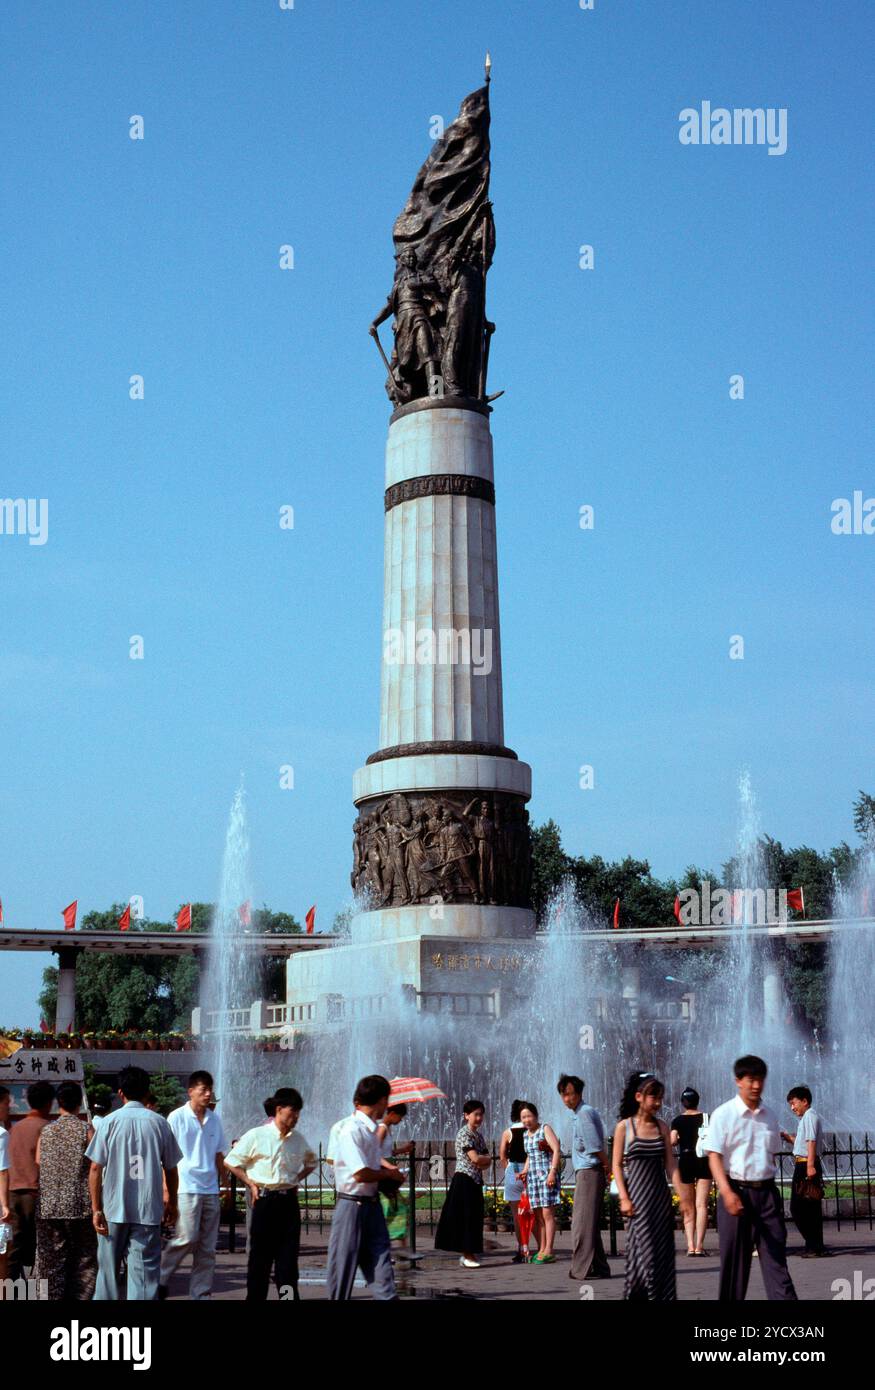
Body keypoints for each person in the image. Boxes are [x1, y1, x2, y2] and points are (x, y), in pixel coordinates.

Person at [85, 1065, 182, 1301]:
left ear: (120, 1093)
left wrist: (96, 1208)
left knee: (107, 1273)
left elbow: (96, 1168)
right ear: (147, 1092)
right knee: (145, 1278)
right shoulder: (160, 1123)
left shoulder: (108, 1122)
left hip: (113, 1209)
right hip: (147, 1210)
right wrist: (173, 1204)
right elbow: (171, 1168)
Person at [705, 1055, 797, 1301]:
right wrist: (726, 1193)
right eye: (751, 1080)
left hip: (767, 1196)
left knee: (777, 1261)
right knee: (735, 1267)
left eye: (760, 1080)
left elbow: (773, 1155)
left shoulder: (770, 1116)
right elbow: (713, 1156)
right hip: (736, 1194)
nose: (756, 1085)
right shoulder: (723, 1114)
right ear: (738, 1081)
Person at [224, 1087, 316, 1300]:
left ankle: (287, 1299)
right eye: (292, 1112)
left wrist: (295, 1180)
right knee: (260, 1262)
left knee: (288, 1263)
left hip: (288, 1204)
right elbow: (231, 1162)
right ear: (279, 1109)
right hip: (264, 1202)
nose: (295, 1117)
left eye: (298, 1113)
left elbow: (311, 1163)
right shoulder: (257, 1135)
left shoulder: (298, 1139)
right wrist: (250, 1183)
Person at [327, 1074, 404, 1299]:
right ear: (381, 1100)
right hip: (351, 1205)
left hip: (371, 1204)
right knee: (342, 1269)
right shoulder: (352, 1130)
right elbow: (360, 1173)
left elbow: (374, 1164)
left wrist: (389, 1176)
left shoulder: (372, 1131)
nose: (387, 1105)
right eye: (387, 1100)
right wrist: (387, 1173)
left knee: (382, 1263)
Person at [159, 1070, 227, 1300]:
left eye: (210, 1090)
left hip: (210, 1188)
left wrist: (225, 1184)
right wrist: (166, 1190)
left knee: (207, 1248)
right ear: (191, 1092)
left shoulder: (215, 1119)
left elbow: (219, 1154)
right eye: (203, 1090)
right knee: (186, 1237)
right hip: (185, 1186)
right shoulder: (176, 1117)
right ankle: (160, 1277)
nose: (208, 1094)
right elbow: (165, 1156)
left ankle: (201, 1293)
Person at [612, 1072, 678, 1301]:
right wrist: (624, 1197)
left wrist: (683, 1197)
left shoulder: (662, 1127)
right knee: (643, 1256)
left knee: (663, 1256)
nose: (658, 1103)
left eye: (660, 1098)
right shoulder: (624, 1127)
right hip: (637, 1202)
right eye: (654, 1097)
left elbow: (670, 1164)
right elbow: (617, 1165)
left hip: (660, 1200)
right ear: (639, 1096)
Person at [34, 1080, 97, 1300]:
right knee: (84, 1258)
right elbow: (96, 1165)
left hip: (48, 1205)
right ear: (80, 1102)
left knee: (50, 1259)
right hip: (79, 1205)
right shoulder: (86, 1129)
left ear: (58, 1103)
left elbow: (39, 1160)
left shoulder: (46, 1131)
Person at [558, 1073, 612, 1280]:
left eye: (570, 1094)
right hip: (588, 1170)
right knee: (589, 1222)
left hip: (590, 1171)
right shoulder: (581, 1112)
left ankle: (580, 1269)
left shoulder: (584, 1113)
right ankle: (600, 1267)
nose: (566, 1099)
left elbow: (595, 1146)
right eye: (563, 1095)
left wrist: (607, 1167)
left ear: (579, 1093)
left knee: (581, 1223)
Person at [434, 1098, 491, 1269]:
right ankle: (467, 1255)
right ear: (466, 1115)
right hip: (464, 1179)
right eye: (476, 1114)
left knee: (474, 1218)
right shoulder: (464, 1134)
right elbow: (475, 1158)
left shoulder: (478, 1136)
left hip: (475, 1180)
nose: (479, 1118)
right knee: (465, 1218)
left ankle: (469, 1253)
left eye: (481, 1115)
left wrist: (483, 1160)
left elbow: (486, 1161)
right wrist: (482, 1160)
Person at [7, 1079, 54, 1281]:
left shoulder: (14, 1129)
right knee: (41, 1247)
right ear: (49, 1103)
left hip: (11, 1193)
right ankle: (36, 1291)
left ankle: (9, 1291)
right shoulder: (48, 1128)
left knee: (13, 1248)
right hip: (36, 1194)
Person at [782, 1085, 827, 1258]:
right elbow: (804, 1142)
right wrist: (788, 1138)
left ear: (804, 1101)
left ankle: (814, 1244)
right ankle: (815, 1246)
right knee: (811, 1209)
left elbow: (811, 1142)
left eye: (794, 1103)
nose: (792, 1108)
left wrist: (809, 1166)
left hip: (805, 1166)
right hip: (807, 1163)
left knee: (797, 1208)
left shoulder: (809, 1116)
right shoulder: (810, 1117)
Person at [670, 1086, 712, 1256]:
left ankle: (690, 1246)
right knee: (702, 1205)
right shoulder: (707, 1118)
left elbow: (672, 1141)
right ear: (698, 1100)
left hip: (686, 1161)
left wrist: (679, 1137)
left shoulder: (678, 1120)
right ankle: (700, 1246)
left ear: (683, 1103)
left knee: (688, 1206)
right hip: (703, 1161)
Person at [519, 1102, 562, 1264]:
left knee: (547, 1214)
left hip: (546, 1177)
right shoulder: (525, 1134)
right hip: (533, 1179)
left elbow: (556, 1149)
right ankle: (542, 1248)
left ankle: (549, 1250)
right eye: (523, 1117)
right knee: (538, 1216)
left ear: (536, 1116)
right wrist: (524, 1170)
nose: (527, 1120)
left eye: (529, 1116)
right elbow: (530, 1156)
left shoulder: (544, 1129)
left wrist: (552, 1172)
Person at [376, 1102, 413, 1246]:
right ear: (392, 1114)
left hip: (387, 1173)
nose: (401, 1120)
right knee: (393, 1208)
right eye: (400, 1117)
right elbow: (373, 1153)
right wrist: (389, 1166)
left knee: (396, 1208)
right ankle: (391, 1246)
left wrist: (403, 1149)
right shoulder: (382, 1129)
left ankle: (398, 1246)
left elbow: (386, 1152)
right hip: (383, 1175)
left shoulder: (387, 1129)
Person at [499, 1100, 531, 1263]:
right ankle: (541, 1248)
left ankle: (522, 1249)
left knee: (517, 1216)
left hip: (513, 1171)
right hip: (529, 1171)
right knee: (535, 1214)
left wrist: (508, 1170)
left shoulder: (508, 1132)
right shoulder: (531, 1130)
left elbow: (502, 1155)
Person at [0, 1086, 11, 1293]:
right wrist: (5, 1205)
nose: (9, 1107)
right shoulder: (1, 1134)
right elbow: (2, 1172)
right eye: (6, 1103)